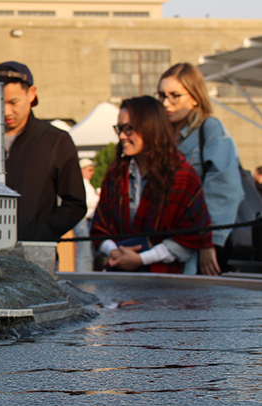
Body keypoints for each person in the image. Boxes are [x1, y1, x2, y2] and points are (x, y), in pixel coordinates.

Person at [0, 61, 86, 241]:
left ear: (31, 93)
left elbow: (75, 203)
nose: (6, 111)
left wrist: (40, 232)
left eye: (14, 102)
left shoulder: (55, 141)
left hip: (36, 251)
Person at [91, 96, 211, 273]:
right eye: (119, 129)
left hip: (169, 285)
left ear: (151, 128)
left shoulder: (183, 176)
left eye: (129, 129)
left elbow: (189, 237)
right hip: (120, 280)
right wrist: (116, 253)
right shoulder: (115, 175)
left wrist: (141, 259)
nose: (122, 136)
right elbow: (99, 227)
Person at [158, 63, 241, 275]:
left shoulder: (210, 128)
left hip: (199, 245)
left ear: (195, 97)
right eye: (161, 95)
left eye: (174, 95)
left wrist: (209, 242)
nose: (166, 102)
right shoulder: (163, 136)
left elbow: (224, 189)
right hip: (168, 242)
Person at [74, 158, 100, 271]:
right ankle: (83, 279)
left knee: (88, 252)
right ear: (82, 170)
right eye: (89, 170)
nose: (92, 173)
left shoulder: (87, 184)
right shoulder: (80, 184)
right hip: (82, 220)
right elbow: (86, 202)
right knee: (84, 252)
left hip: (87, 221)